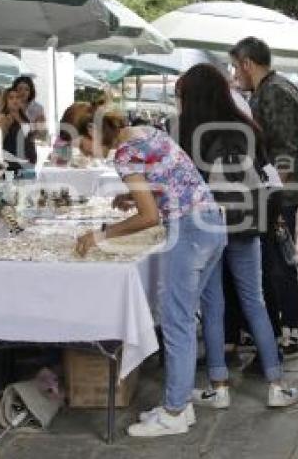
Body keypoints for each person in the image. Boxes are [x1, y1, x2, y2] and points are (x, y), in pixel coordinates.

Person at [71, 105, 227, 438]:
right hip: (211, 223)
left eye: (77, 143)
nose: (80, 151)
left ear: (91, 134)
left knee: (176, 321)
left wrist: (100, 235)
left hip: (189, 232)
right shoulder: (147, 133)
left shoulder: (125, 155)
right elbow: (168, 177)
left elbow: (149, 218)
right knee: (182, 317)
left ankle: (173, 412)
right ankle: (179, 405)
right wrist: (135, 196)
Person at [174, 64, 298, 410]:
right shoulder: (246, 127)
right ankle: (276, 385)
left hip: (208, 226)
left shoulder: (188, 133)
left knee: (213, 305)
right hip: (247, 224)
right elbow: (265, 174)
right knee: (254, 301)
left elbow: (187, 187)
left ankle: (219, 387)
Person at [230, 36, 298, 358]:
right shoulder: (269, 89)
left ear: (248, 63)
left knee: (280, 262)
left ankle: (291, 330)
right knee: (272, 262)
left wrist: (273, 196)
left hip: (281, 194)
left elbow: (286, 148)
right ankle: (276, 328)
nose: (235, 74)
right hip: (275, 192)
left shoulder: (274, 91)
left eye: (236, 67)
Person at [0, 87, 37, 173]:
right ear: (6, 101)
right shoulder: (4, 118)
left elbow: (29, 139)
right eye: (11, 98)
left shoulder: (25, 118)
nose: (15, 100)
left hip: (27, 165)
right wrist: (5, 127)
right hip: (11, 167)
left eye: (17, 97)